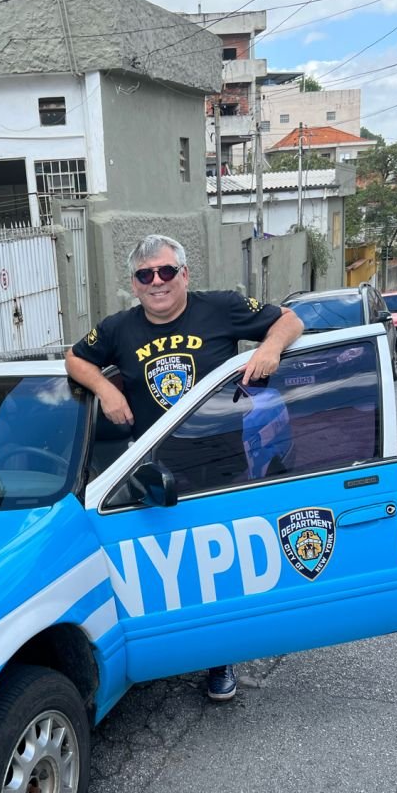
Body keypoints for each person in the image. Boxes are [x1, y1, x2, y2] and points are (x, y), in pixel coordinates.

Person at [65, 234, 303, 702]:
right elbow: (75, 358)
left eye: (166, 271)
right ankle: (171, 651)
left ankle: (220, 659)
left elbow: (290, 319)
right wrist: (106, 390)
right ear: (134, 283)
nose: (157, 282)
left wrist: (270, 348)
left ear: (184, 274)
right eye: (145, 275)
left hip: (220, 466)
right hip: (154, 471)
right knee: (172, 569)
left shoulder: (222, 308)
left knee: (220, 569)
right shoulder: (118, 329)